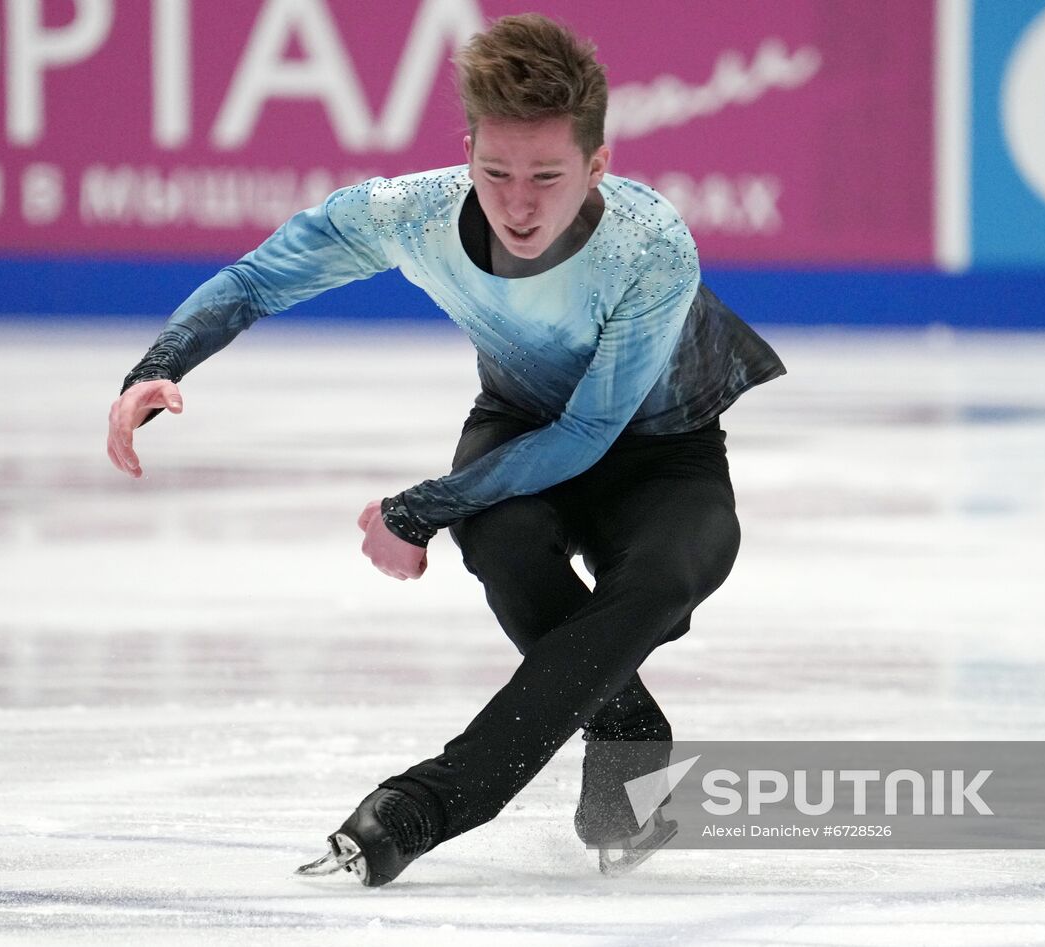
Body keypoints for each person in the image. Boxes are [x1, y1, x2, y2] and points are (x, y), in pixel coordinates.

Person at [107, 13, 784, 887]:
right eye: (496, 172)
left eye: (548, 175)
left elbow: (588, 433)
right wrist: (156, 368)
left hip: (663, 450)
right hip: (518, 420)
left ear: (597, 166)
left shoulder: (650, 245)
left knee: (659, 581)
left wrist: (418, 506)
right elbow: (257, 278)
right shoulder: (414, 213)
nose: (519, 203)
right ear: (467, 153)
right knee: (500, 540)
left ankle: (429, 803)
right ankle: (625, 731)